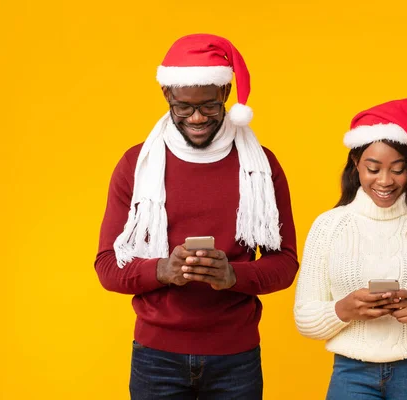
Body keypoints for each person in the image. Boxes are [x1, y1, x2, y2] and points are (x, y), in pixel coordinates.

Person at [95, 34, 298, 399]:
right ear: (167, 98)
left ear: (225, 94)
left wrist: (234, 274)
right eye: (184, 108)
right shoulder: (136, 165)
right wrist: (161, 270)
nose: (198, 118)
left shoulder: (261, 166)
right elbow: (107, 266)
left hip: (236, 357)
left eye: (208, 106)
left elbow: (284, 263)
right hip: (156, 358)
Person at [294, 98, 407, 399]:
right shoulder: (328, 226)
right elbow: (305, 318)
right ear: (356, 165)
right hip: (351, 372)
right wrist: (344, 309)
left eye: (398, 169)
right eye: (373, 168)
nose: (384, 181)